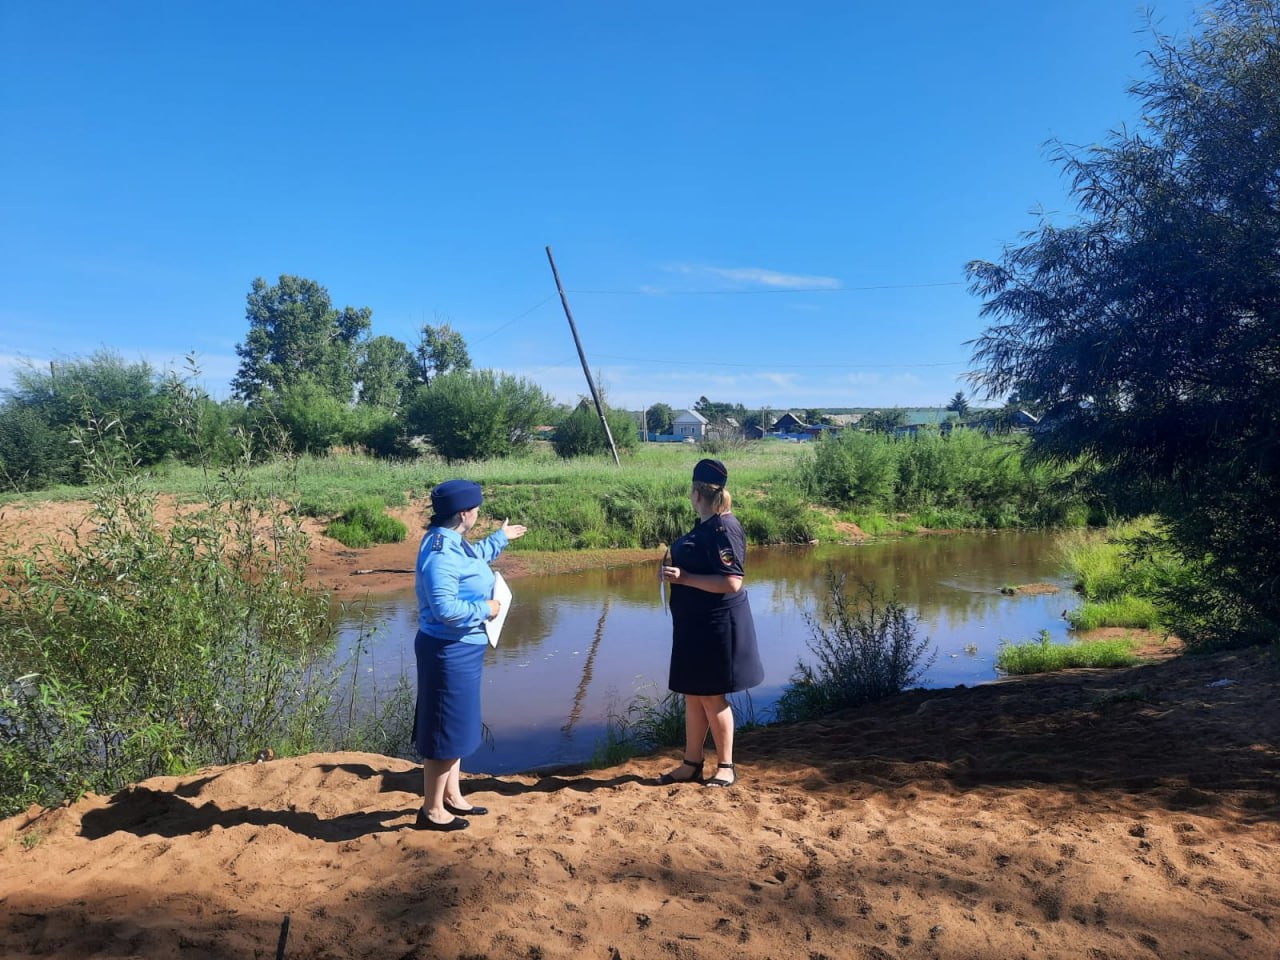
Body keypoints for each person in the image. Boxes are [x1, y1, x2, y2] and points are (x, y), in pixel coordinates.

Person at [413, 479, 526, 831]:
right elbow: (446, 608)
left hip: (462, 648)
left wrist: (499, 539)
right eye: (476, 509)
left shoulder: (453, 541)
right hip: (448, 650)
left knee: (456, 724)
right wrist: (487, 608)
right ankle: (431, 810)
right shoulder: (440, 553)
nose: (478, 513)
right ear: (464, 513)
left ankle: (453, 796)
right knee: (443, 729)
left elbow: (474, 559)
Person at [658, 458, 764, 788]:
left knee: (712, 697)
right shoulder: (707, 525)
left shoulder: (725, 527)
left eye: (692, 491)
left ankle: (726, 766)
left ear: (696, 493)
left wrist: (685, 578)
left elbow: (732, 581)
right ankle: (691, 764)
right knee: (693, 694)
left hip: (716, 626)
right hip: (695, 627)